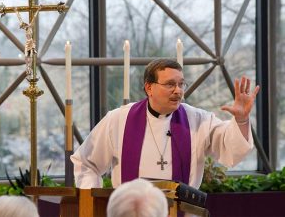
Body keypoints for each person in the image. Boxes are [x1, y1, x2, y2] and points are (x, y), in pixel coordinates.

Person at [71, 58, 259, 189]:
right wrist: (91, 201)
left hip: (181, 211)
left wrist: (241, 120)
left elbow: (231, 149)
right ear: (149, 87)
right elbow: (86, 162)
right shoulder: (118, 119)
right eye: (170, 84)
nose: (178, 91)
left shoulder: (198, 120)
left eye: (181, 84)